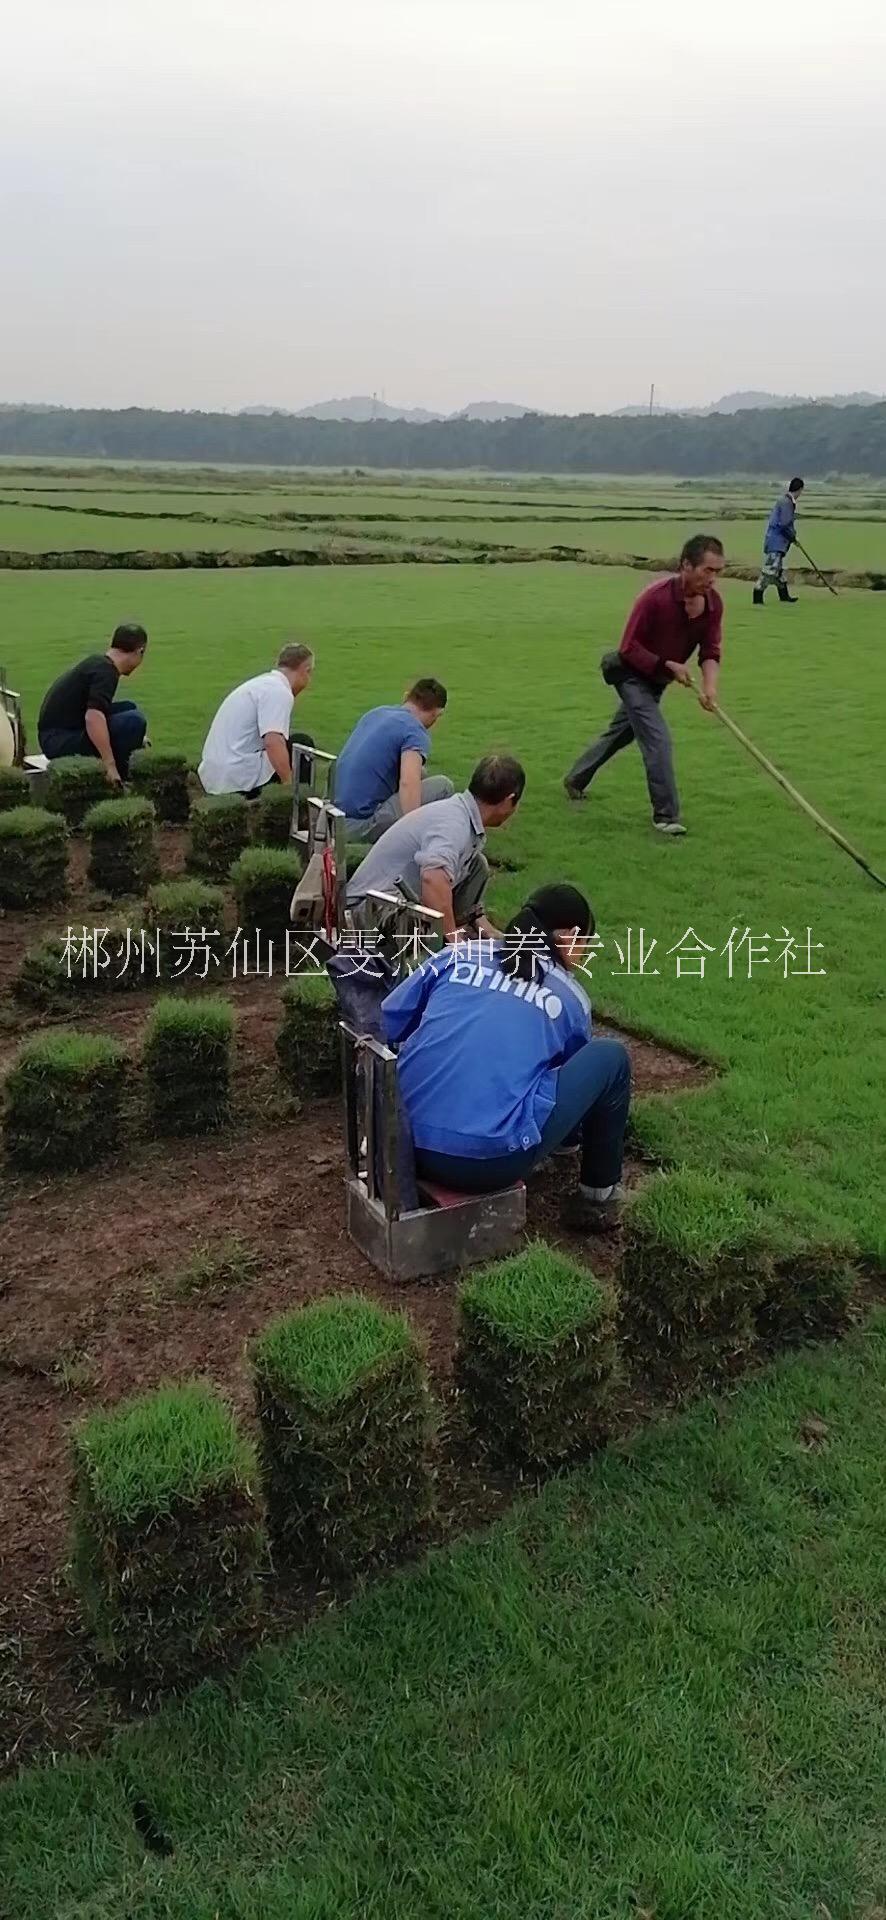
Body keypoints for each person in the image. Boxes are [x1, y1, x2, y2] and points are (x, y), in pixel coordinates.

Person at [380, 883, 630, 1233]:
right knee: (611, 1057)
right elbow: (567, 1078)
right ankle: (598, 1198)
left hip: (397, 1141)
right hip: (485, 1163)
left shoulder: (456, 956)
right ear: (572, 936)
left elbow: (390, 1021)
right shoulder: (570, 998)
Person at [563, 534, 725, 836]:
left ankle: (575, 778)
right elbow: (628, 647)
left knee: (621, 733)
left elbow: (710, 651)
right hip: (629, 674)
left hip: (657, 681)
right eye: (708, 570)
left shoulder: (713, 605)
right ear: (686, 565)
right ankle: (665, 816)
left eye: (718, 571)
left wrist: (710, 688)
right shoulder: (655, 597)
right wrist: (668, 665)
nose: (713, 579)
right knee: (657, 738)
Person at [346, 752, 525, 938]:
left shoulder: (461, 816)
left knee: (477, 864)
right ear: (508, 800)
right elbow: (433, 878)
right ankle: (443, 948)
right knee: (431, 923)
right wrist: (453, 941)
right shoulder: (454, 825)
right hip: (365, 914)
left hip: (385, 904)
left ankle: (466, 930)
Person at [334, 678, 452, 842]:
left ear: (406, 697)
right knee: (443, 786)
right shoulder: (414, 731)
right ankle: (432, 844)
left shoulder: (376, 713)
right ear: (436, 713)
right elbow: (408, 784)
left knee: (422, 773)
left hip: (334, 817)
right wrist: (412, 833)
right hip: (361, 825)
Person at [198, 642, 315, 796]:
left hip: (214, 776)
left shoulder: (261, 684)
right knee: (301, 745)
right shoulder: (279, 691)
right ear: (304, 670)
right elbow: (273, 741)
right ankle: (296, 808)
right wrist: (289, 784)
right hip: (237, 779)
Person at [37, 623, 149, 784]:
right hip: (58, 741)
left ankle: (122, 757)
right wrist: (109, 764)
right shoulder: (106, 672)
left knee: (128, 708)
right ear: (140, 651)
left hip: (58, 733)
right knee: (134, 721)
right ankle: (121, 775)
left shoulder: (100, 664)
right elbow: (93, 717)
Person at [754, 478, 805, 605]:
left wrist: (793, 538)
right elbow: (784, 524)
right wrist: (793, 538)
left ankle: (784, 596)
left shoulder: (785, 501)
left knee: (778, 573)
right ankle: (757, 597)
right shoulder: (786, 503)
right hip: (776, 542)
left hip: (777, 541)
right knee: (769, 571)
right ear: (799, 490)